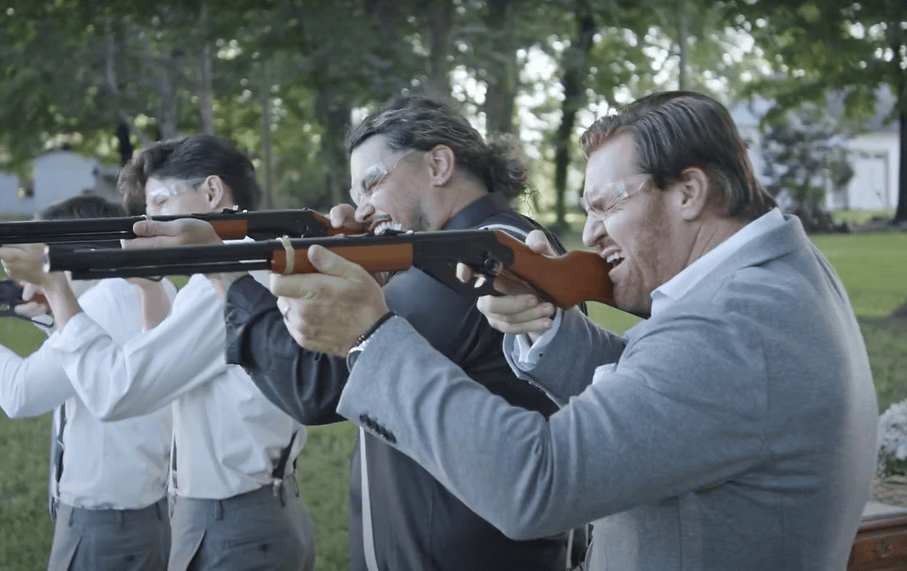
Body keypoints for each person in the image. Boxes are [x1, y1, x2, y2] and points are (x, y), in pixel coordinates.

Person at [262, 91, 879, 570]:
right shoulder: (772, 278)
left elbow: (536, 482)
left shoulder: (735, 329)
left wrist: (371, 339)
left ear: (690, 191)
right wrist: (549, 327)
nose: (589, 234)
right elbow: (662, 390)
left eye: (607, 204)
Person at [132, 96, 578, 570]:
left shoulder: (471, 256)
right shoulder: (484, 240)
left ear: (439, 164)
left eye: (372, 183)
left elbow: (315, 385)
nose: (362, 209)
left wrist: (223, 272)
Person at [3, 135, 316, 571]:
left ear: (211, 192)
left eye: (160, 204)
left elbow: (119, 392)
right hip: (242, 512)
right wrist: (140, 288)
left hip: (234, 522)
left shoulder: (222, 286)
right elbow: (162, 381)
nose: (148, 223)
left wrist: (56, 286)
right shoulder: (243, 268)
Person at [0, 194, 174, 571]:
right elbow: (86, 368)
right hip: (147, 511)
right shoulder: (150, 288)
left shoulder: (103, 301)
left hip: (104, 523)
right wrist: (52, 320)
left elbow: (20, 395)